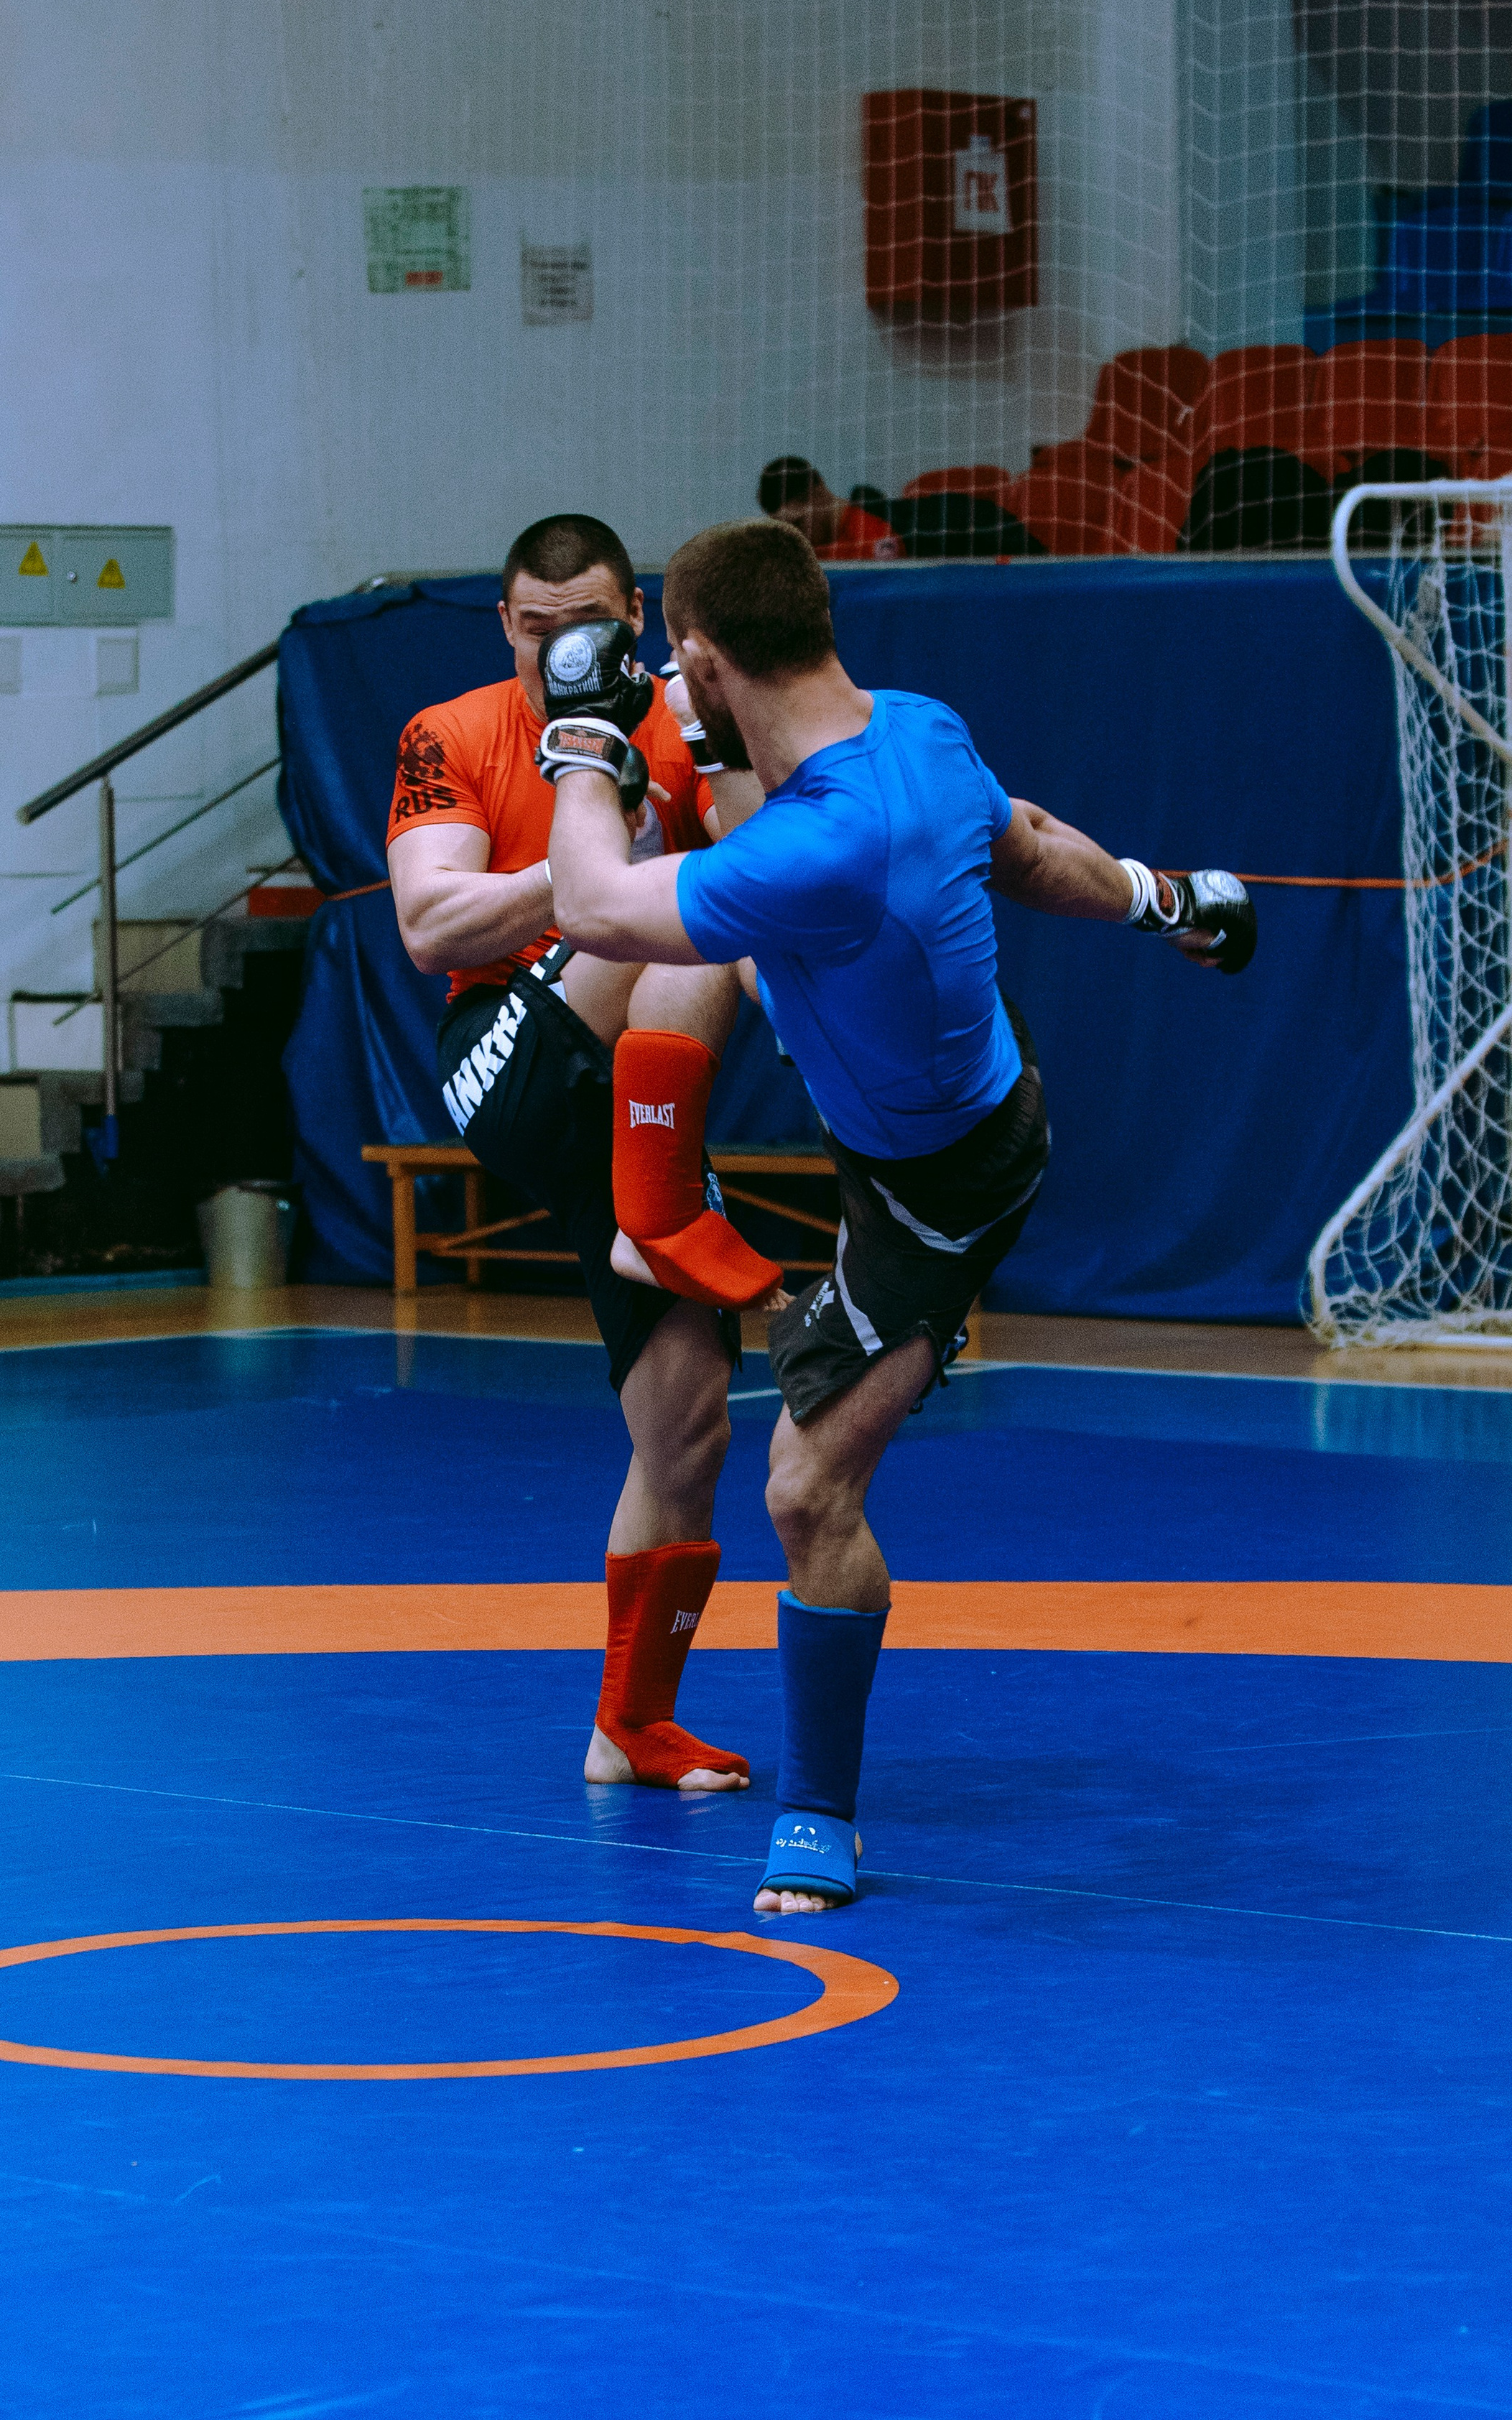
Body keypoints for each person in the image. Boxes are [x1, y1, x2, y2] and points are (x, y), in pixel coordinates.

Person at [537, 516, 1254, 1913]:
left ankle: (817, 1811)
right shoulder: (920, 730)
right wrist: (1163, 897)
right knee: (718, 913)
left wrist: (583, 736)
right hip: (924, 1081)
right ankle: (655, 1203)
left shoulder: (824, 843)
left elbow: (589, 903)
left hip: (937, 1196)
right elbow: (1029, 846)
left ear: (696, 651)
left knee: (805, 1488)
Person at [386, 513, 781, 1798]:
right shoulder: (452, 733)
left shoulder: (684, 721)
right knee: (679, 899)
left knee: (689, 1428)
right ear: (505, 626)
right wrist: (588, 865)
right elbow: (434, 926)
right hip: (508, 1057)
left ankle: (631, 1726)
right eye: (540, 626)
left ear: (645, 613)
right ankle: (652, 1210)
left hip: (631, 1098)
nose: (566, 646)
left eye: (594, 623)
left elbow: (776, 863)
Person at [756, 457, 902, 561]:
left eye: (798, 524)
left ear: (818, 491)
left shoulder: (874, 537)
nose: (795, 537)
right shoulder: (801, 552)